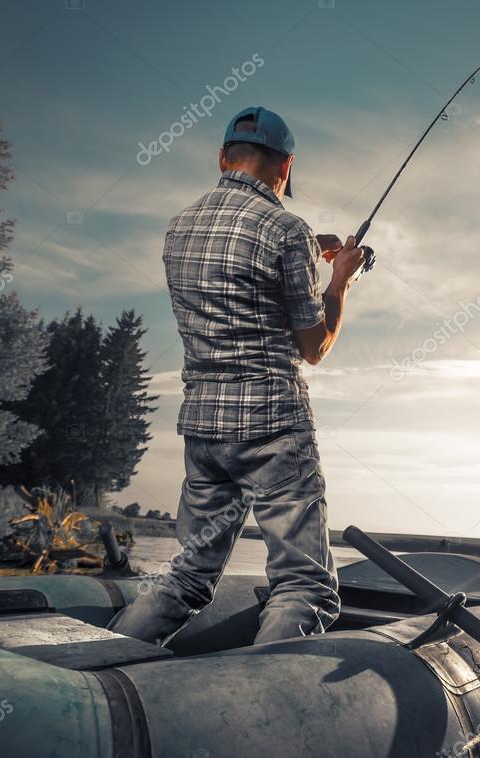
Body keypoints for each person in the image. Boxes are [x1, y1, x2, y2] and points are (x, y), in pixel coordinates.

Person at [109, 106, 365, 645]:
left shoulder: (179, 227)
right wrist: (340, 279)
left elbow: (234, 264)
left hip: (203, 430)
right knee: (303, 587)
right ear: (287, 166)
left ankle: (97, 669)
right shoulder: (285, 229)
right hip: (273, 429)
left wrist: (306, 250)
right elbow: (314, 346)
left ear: (223, 157)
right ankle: (272, 720)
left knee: (187, 578)